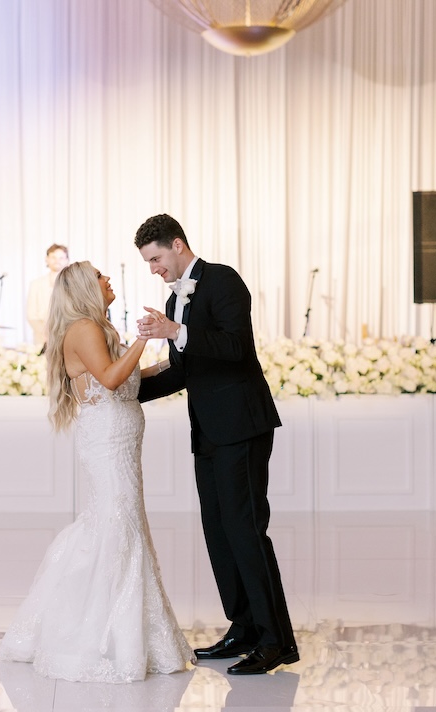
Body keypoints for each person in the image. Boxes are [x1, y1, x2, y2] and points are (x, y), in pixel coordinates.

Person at [0, 260, 194, 683]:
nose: (108, 280)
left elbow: (122, 380)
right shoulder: (84, 329)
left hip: (118, 439)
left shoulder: (93, 328)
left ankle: (131, 633)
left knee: (124, 524)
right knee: (114, 525)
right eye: (100, 275)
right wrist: (145, 340)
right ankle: (99, 635)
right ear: (86, 287)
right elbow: (108, 379)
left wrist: (165, 367)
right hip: (107, 442)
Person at [134, 214, 298, 676]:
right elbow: (184, 373)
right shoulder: (175, 299)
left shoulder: (223, 279)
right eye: (148, 262)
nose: (154, 269)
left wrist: (174, 333)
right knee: (219, 532)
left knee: (246, 531)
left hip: (242, 427)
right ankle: (243, 627)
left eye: (157, 259)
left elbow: (236, 347)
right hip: (207, 432)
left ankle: (274, 641)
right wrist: (123, 392)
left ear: (179, 245)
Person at [26, 243, 70, 348]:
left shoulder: (73, 285)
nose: (57, 261)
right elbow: (31, 315)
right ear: (47, 259)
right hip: (42, 340)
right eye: (53, 257)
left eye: (61, 258)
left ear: (67, 260)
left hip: (67, 338)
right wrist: (47, 335)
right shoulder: (36, 284)